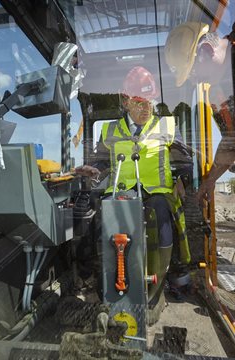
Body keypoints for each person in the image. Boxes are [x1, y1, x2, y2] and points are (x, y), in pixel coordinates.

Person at [76, 66, 192, 299]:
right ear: (126, 101)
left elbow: (184, 160)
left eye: (150, 101)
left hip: (158, 192)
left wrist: (182, 179)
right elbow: (100, 163)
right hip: (120, 190)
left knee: (161, 211)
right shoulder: (110, 130)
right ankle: (107, 278)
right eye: (140, 101)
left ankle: (157, 283)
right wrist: (92, 170)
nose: (146, 108)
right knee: (101, 217)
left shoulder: (167, 126)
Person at [164, 21, 235, 202]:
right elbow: (231, 140)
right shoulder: (218, 93)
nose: (195, 80)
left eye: (193, 72)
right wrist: (209, 181)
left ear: (205, 51)